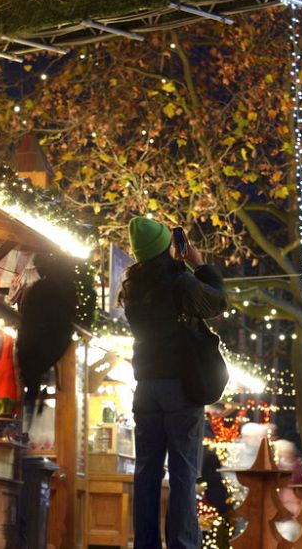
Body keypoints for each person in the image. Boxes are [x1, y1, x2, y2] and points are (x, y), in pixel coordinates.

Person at [119, 217, 228, 549]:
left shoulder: (132, 288)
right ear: (167, 247)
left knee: (147, 472)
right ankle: (182, 544)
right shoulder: (179, 282)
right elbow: (218, 303)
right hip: (180, 385)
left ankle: (145, 544)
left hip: (145, 388)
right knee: (182, 471)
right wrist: (200, 266)